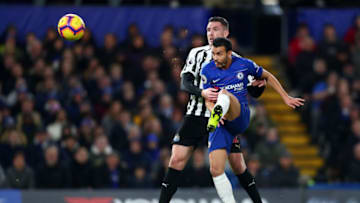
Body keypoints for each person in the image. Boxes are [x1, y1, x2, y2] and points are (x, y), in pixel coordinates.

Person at [159, 16, 265, 203]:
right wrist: (202, 92)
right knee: (176, 160)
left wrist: (259, 86)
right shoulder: (196, 53)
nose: (210, 33)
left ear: (226, 33)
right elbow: (185, 82)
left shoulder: (238, 60)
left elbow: (253, 91)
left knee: (238, 166)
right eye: (208, 29)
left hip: (222, 120)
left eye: (215, 29)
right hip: (195, 114)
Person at [202, 37, 305, 202]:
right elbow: (207, 99)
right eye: (213, 54)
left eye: (219, 54)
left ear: (229, 53)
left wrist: (285, 97)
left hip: (239, 114)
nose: (215, 58)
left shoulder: (244, 64)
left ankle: (216, 116)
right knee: (216, 170)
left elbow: (268, 76)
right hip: (221, 122)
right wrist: (212, 110)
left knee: (224, 94)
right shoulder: (207, 70)